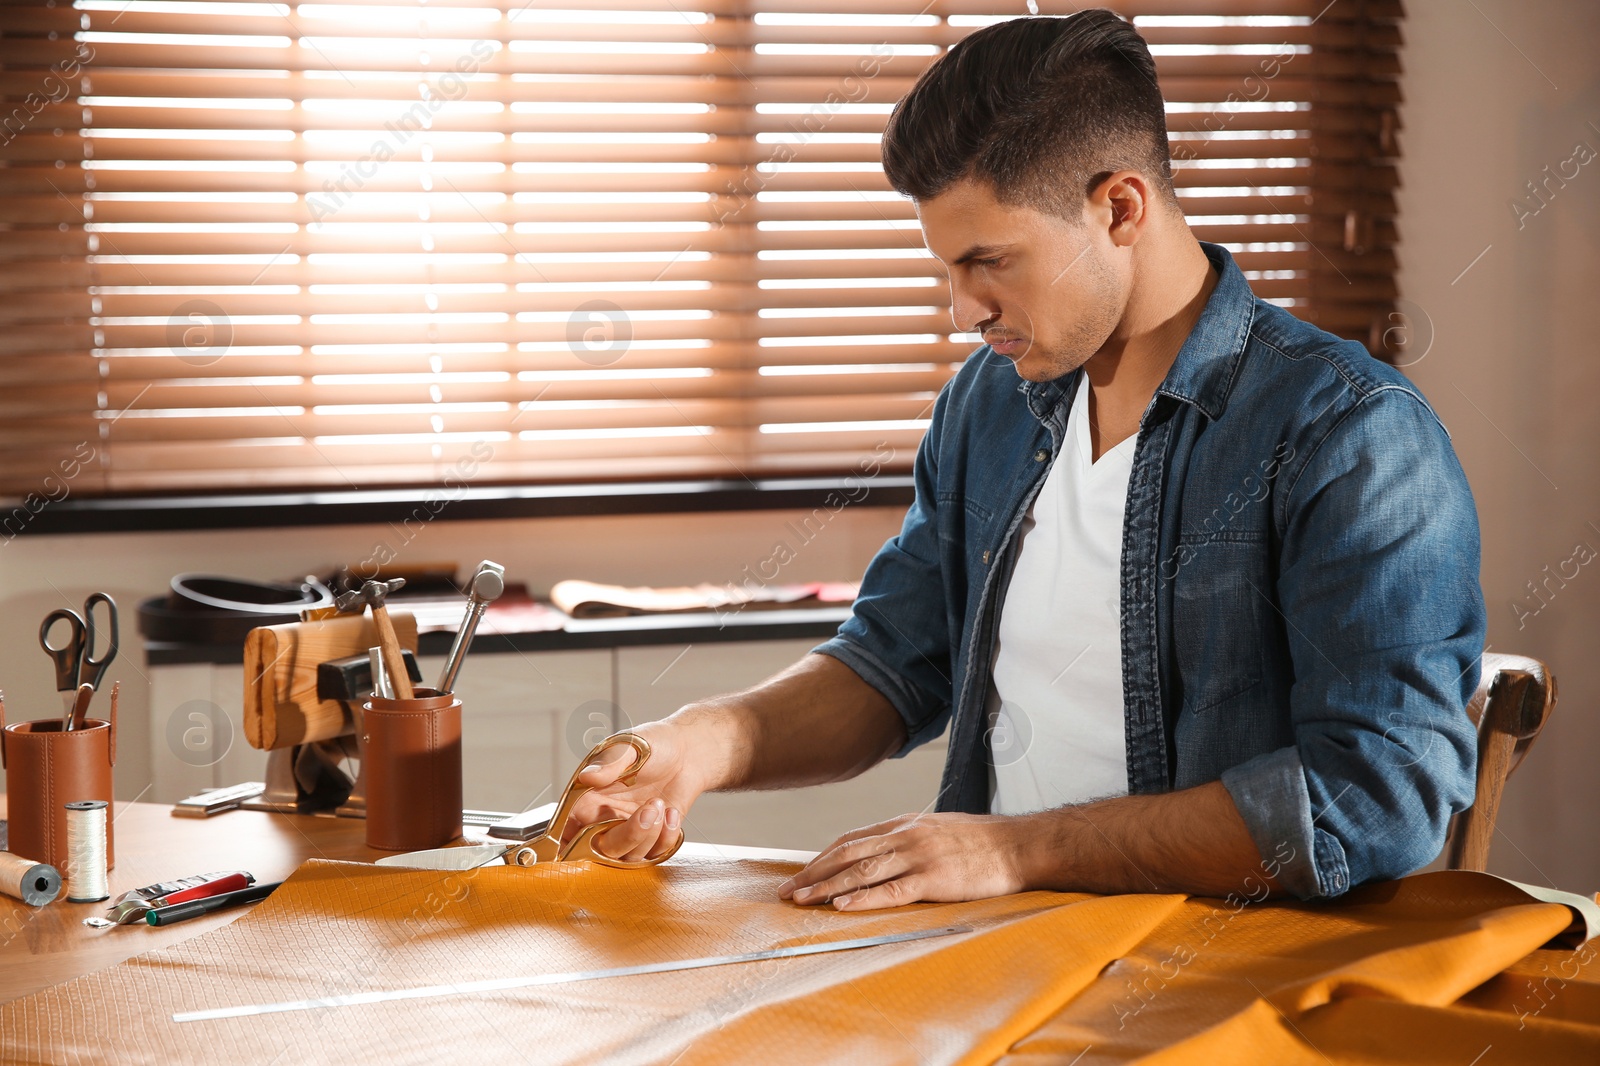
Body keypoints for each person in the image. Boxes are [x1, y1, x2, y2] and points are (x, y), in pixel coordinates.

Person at [564, 10, 1486, 909]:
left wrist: (1017, 851)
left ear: (1119, 208)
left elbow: (1377, 796)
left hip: (1221, 973)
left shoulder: (1349, 435)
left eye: (989, 261)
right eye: (948, 269)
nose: (964, 309)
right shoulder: (991, 403)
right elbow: (894, 660)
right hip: (996, 953)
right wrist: (701, 742)